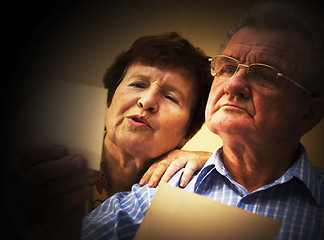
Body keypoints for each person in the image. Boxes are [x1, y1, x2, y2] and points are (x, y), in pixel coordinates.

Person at [82, 2, 324, 240]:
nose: (233, 85)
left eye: (265, 74)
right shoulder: (158, 192)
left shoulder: (174, 176)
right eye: (228, 68)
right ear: (108, 99)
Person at [4, 32, 213, 240]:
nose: (147, 101)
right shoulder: (47, 156)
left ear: (187, 133)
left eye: (170, 97)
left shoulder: (187, 192)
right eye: (138, 84)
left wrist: (212, 159)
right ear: (109, 100)